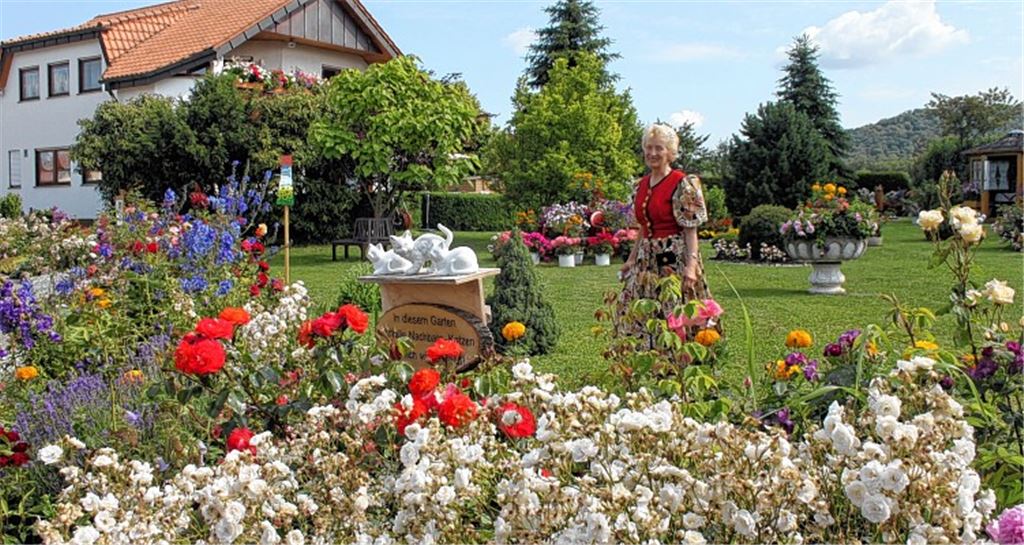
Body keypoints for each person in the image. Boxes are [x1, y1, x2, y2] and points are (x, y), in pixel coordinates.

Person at [616, 123, 715, 343]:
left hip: (674, 255)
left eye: (659, 148)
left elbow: (691, 230)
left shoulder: (682, 183)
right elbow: (643, 227)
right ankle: (650, 352)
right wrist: (631, 260)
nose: (652, 153)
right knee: (641, 305)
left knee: (676, 305)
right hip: (646, 258)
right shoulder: (640, 185)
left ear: (670, 152)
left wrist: (691, 266)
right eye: (649, 147)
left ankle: (682, 354)